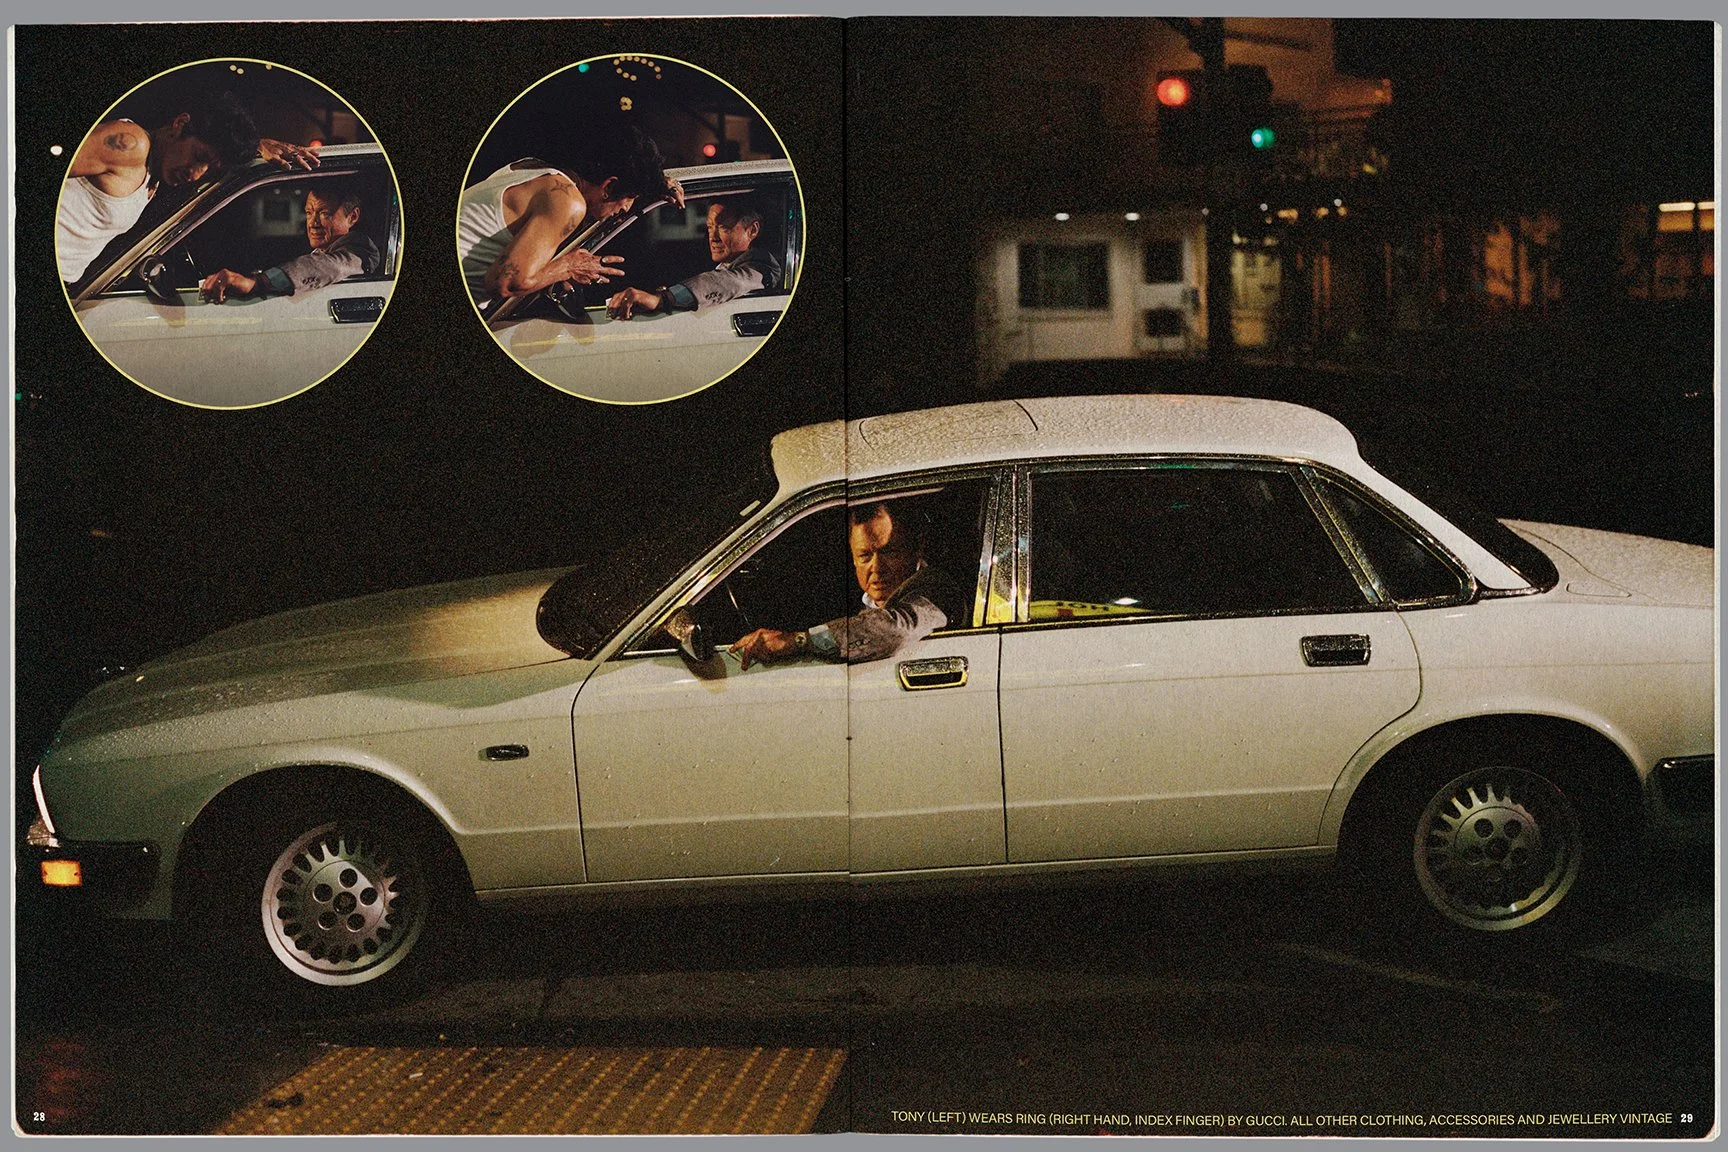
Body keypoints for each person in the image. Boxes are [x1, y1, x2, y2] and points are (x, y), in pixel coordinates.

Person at [57, 91, 320, 285]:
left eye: (208, 167)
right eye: (198, 157)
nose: (196, 174)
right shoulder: (131, 145)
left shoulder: (154, 169)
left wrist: (255, 146)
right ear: (180, 124)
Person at [458, 125, 681, 303]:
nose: (626, 208)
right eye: (630, 197)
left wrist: (653, 183)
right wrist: (568, 266)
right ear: (609, 187)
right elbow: (503, 283)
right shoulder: (567, 203)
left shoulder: (529, 169)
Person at [730, 502, 965, 669]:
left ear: (918, 548)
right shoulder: (862, 605)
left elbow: (895, 629)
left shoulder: (935, 588)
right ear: (852, 557)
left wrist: (798, 641)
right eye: (865, 556)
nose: (877, 567)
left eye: (889, 552)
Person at [197, 182, 380, 301]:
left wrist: (256, 283)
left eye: (324, 213)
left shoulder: (360, 251)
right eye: (309, 213)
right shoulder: (326, 250)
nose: (313, 223)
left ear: (352, 217)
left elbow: (326, 266)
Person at [605, 198, 783, 319]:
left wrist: (661, 299)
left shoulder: (762, 267)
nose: (712, 237)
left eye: (724, 228)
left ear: (752, 230)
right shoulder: (731, 264)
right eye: (709, 227)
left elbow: (727, 282)